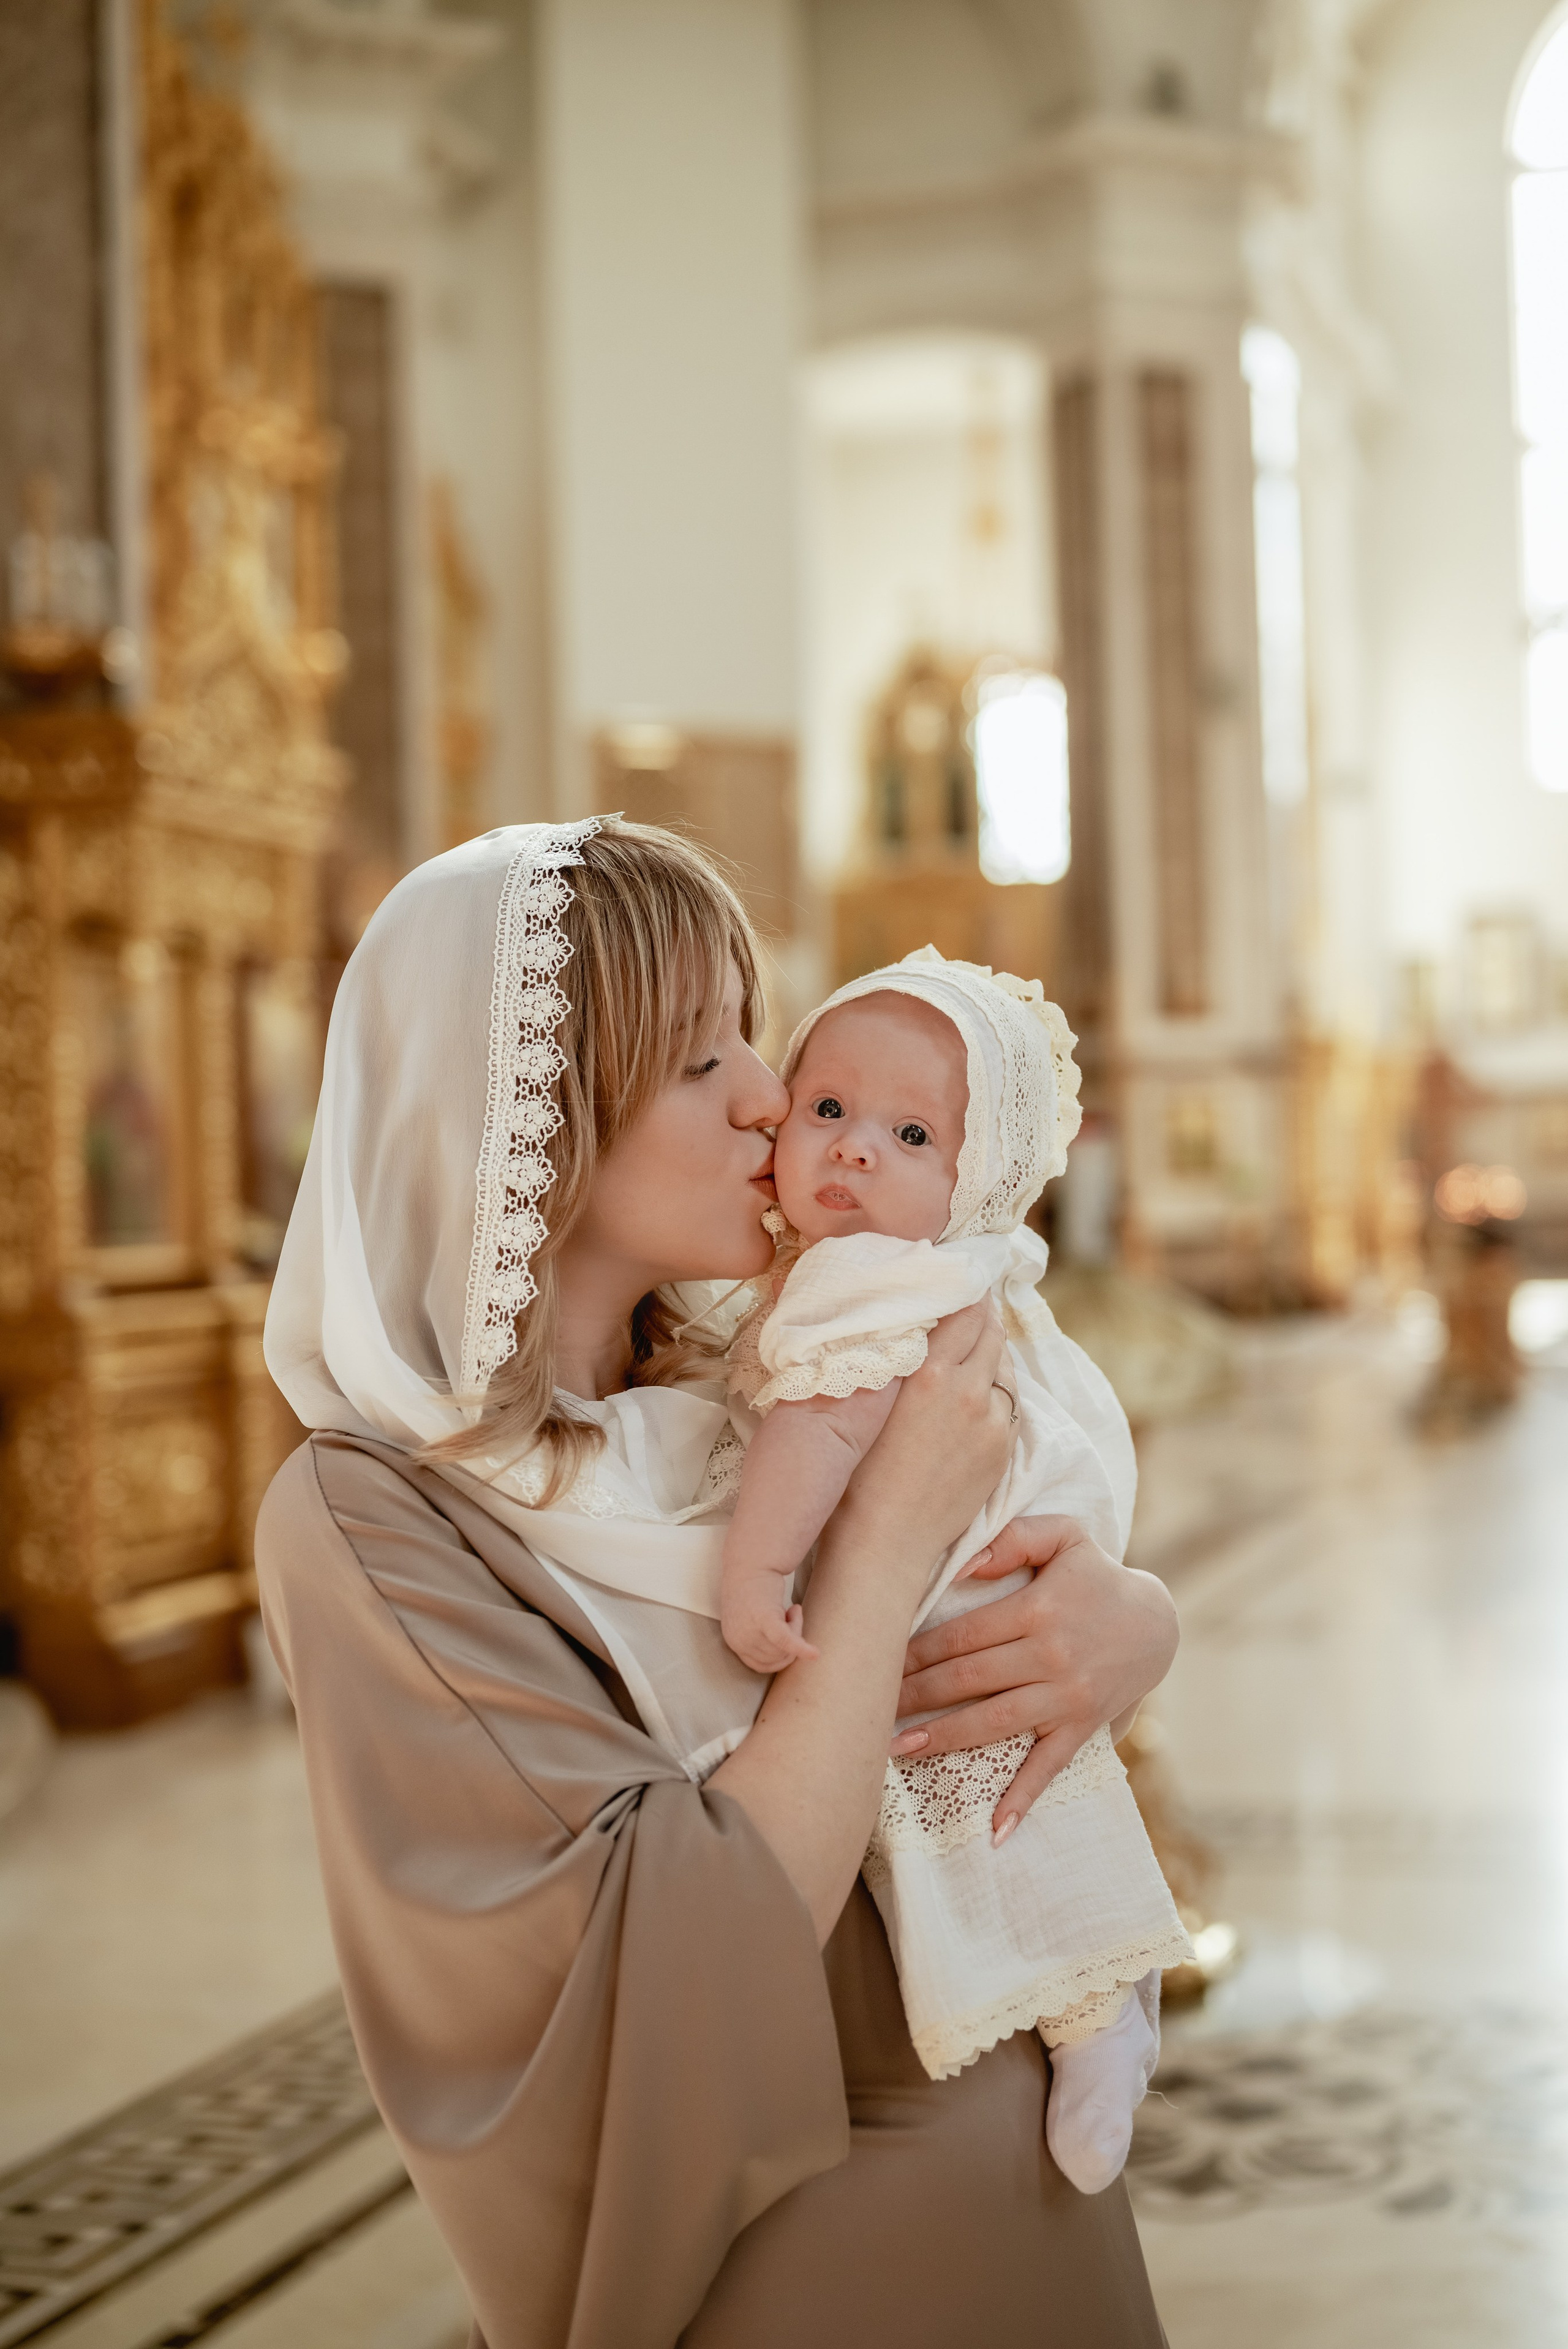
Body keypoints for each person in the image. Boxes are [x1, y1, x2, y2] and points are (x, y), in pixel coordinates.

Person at [257, 816, 1180, 2349]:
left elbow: (1008, 1576)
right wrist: (880, 1552)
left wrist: (1130, 1617)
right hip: (800, 2266)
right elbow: (695, 1948)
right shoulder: (371, 1514)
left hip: (1034, 2211)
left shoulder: (748, 1381)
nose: (770, 1098)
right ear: (531, 1123)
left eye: (748, 1035)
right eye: (701, 1061)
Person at [715, 949, 1191, 2188]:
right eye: (825, 1109)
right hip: (975, 1581)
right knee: (1020, 1808)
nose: (850, 1149)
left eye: (908, 1132)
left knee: (986, 1816)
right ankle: (1106, 2003)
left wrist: (756, 1572)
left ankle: (1098, 2013)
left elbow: (813, 1431)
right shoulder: (924, 1272)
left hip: (956, 1594)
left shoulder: (871, 1287)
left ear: (976, 1179)